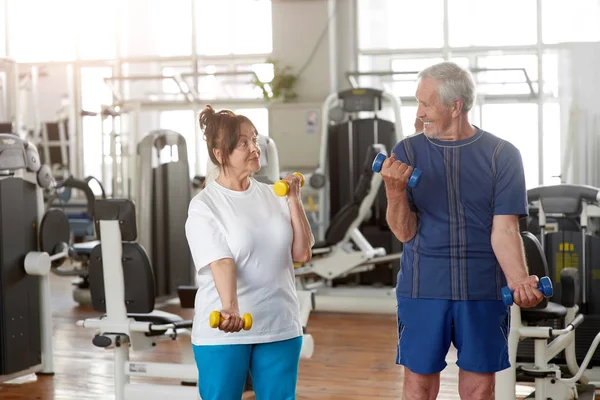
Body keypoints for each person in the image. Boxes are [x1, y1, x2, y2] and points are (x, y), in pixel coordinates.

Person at [380, 61, 544, 400]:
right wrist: (395, 192)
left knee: (480, 387)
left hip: (482, 288)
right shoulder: (406, 152)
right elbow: (403, 233)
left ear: (455, 107)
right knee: (419, 384)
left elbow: (505, 230)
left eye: (426, 103)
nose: (419, 111)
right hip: (423, 286)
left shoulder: (503, 155)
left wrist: (518, 281)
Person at [184, 105, 314, 400]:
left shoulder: (273, 195)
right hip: (225, 329)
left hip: (279, 323)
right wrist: (230, 307)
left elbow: (302, 253)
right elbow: (220, 261)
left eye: (254, 139)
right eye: (244, 142)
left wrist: (294, 200)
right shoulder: (205, 205)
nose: (255, 148)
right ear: (220, 154)